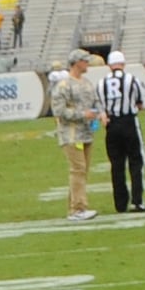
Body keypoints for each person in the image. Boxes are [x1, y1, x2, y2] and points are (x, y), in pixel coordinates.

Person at [48, 46, 103, 220]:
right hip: (71, 134)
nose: (87, 63)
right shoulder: (63, 85)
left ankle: (74, 206)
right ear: (77, 62)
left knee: (82, 171)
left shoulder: (86, 83)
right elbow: (59, 111)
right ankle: (78, 208)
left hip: (87, 133)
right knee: (77, 169)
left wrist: (100, 113)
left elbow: (96, 100)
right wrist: (82, 114)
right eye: (85, 60)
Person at [97, 43, 145, 216]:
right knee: (136, 162)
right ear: (123, 64)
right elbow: (141, 103)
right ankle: (137, 201)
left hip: (112, 125)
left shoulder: (102, 83)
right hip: (129, 122)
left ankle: (120, 203)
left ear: (109, 65)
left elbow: (101, 106)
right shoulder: (132, 79)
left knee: (116, 165)